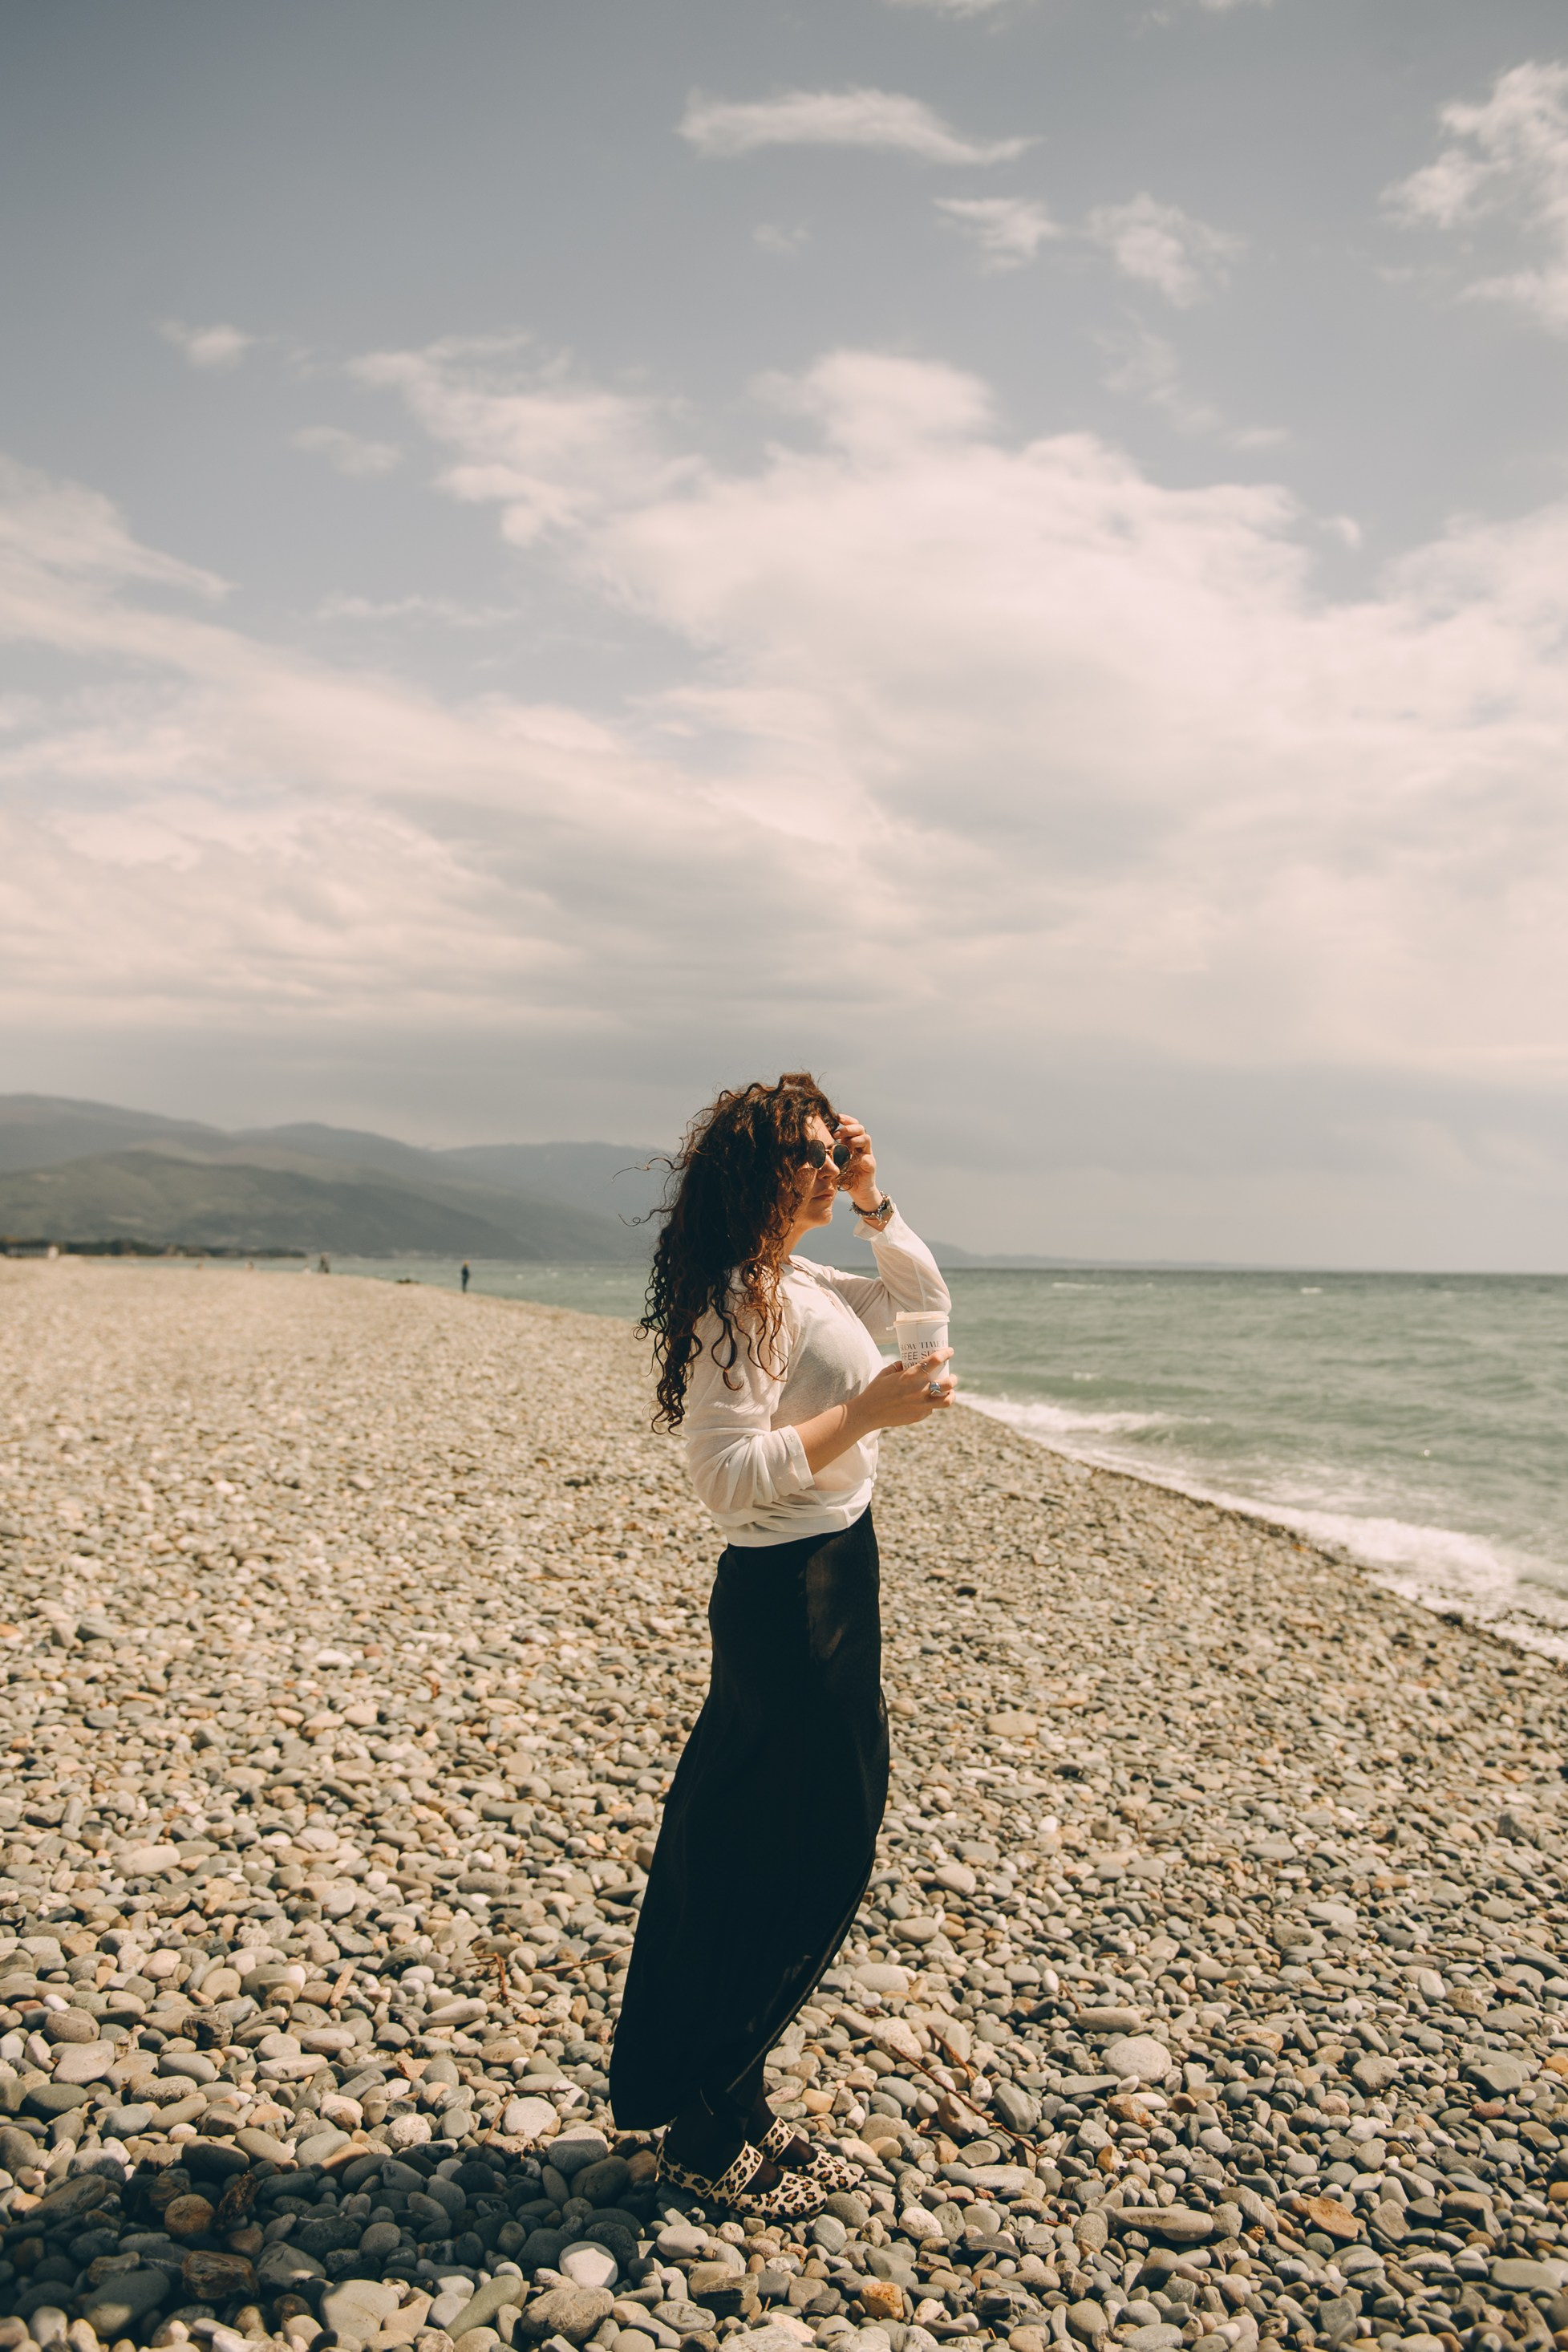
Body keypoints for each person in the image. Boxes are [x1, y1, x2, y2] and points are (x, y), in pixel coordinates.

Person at [609, 1073, 953, 2220]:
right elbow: (723, 1478)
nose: (823, 1163)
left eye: (829, 1147)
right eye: (807, 1154)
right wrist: (866, 1417)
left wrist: (872, 1196)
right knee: (812, 1857)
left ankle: (730, 2100)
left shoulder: (794, 1278)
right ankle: (708, 2122)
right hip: (791, 1597)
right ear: (756, 1174)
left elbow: (924, 1302)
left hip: (827, 1575)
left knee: (763, 1841)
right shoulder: (741, 1304)